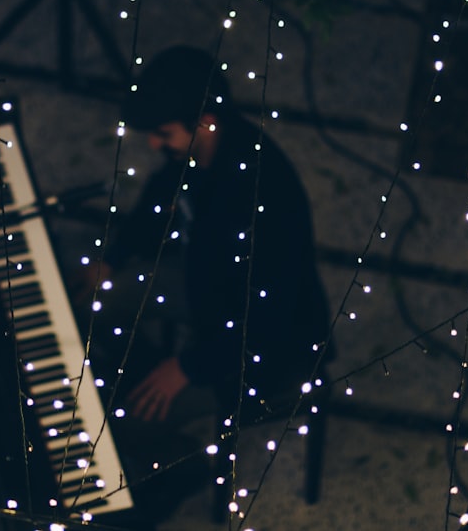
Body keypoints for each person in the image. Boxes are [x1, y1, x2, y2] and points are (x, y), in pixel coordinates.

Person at [73, 45, 332, 520]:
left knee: (131, 423)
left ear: (205, 121)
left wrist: (188, 366)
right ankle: (116, 373)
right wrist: (114, 258)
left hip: (264, 352)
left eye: (162, 133)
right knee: (107, 297)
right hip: (209, 292)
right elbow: (160, 195)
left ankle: (179, 468)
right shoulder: (204, 152)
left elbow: (267, 322)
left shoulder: (261, 198)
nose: (154, 144)